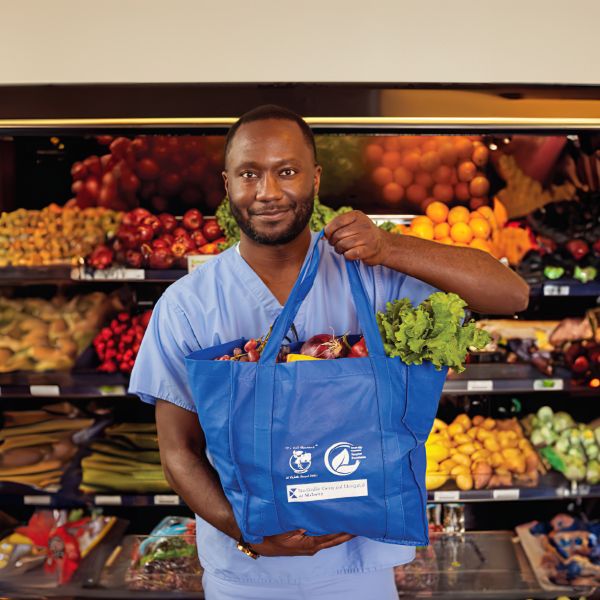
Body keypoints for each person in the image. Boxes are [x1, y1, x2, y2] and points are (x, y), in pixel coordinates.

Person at [129, 105, 529, 599]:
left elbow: (512, 294)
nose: (268, 192)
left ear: (315, 179)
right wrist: (246, 533)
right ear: (227, 183)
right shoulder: (189, 304)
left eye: (287, 171)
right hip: (245, 578)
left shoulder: (371, 274)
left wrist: (390, 248)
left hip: (359, 573)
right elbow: (178, 453)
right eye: (250, 173)